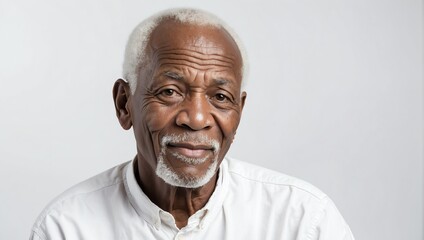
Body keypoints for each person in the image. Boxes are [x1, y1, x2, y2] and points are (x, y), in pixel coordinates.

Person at [30, 8, 354, 240]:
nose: (196, 118)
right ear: (124, 104)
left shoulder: (304, 222)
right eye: (169, 92)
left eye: (220, 97)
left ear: (239, 113)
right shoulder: (66, 228)